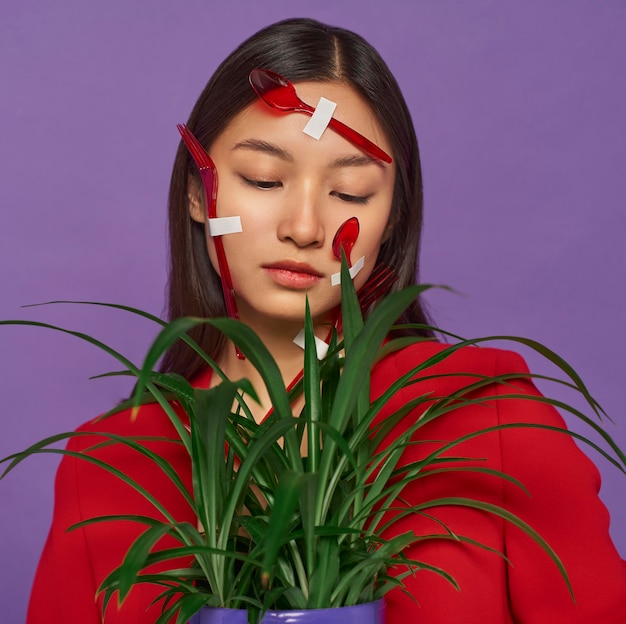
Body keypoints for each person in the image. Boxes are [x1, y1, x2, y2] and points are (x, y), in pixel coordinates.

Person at [27, 17, 626, 623]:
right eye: (263, 179)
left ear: (392, 218)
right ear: (194, 191)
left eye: (351, 192)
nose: (306, 227)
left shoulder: (479, 413)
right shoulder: (109, 463)